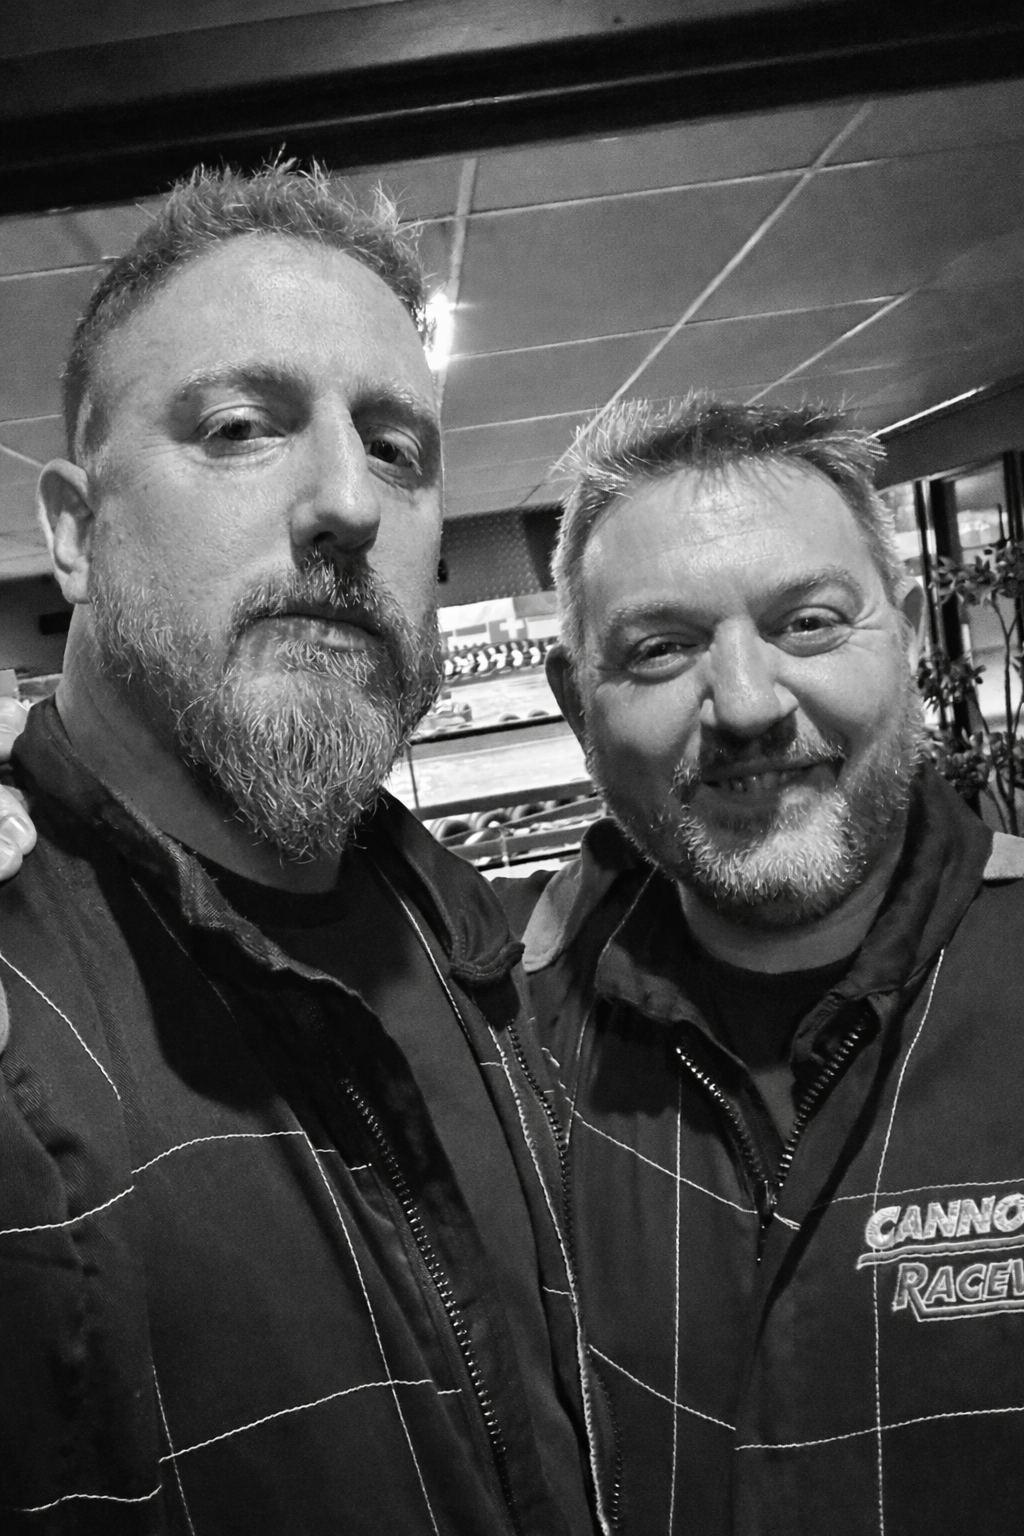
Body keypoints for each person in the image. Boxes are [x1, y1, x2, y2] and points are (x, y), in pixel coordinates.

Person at [0, 164, 611, 1535]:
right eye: (237, 426)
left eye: (397, 448)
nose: (347, 499)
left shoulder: (512, 972)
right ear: (74, 532)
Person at [518, 396, 1024, 1535]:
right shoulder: (505, 1034)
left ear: (900, 632)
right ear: (574, 705)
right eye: (661, 649)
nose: (745, 705)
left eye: (806, 624)